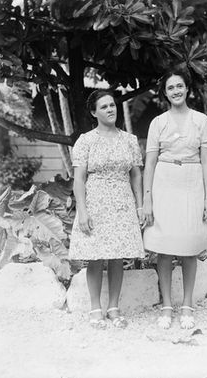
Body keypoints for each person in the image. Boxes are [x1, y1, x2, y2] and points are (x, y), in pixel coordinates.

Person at [143, 68, 207, 330]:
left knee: (189, 245)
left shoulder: (201, 120)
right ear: (165, 93)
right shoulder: (158, 122)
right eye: (171, 87)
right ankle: (166, 305)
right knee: (164, 246)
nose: (176, 91)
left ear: (187, 89)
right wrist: (147, 199)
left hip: (192, 182)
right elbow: (149, 163)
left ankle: (187, 305)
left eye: (179, 86)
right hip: (164, 182)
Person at [69, 89, 145, 329]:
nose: (110, 109)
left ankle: (113, 307)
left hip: (122, 201)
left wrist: (140, 205)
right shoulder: (86, 141)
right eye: (104, 107)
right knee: (95, 256)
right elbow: (79, 179)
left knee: (116, 255)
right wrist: (82, 210)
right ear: (94, 112)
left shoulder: (129, 140)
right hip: (96, 201)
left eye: (112, 105)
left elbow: (136, 175)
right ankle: (95, 308)